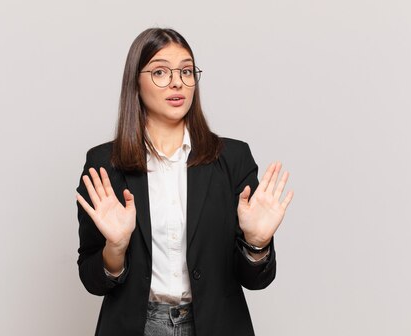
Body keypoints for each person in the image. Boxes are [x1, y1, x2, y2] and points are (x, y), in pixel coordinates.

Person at [75, 28, 294, 336]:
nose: (177, 81)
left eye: (186, 71)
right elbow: (92, 279)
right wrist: (115, 248)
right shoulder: (104, 165)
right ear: (135, 82)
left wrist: (256, 243)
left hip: (217, 325)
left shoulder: (233, 159)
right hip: (135, 326)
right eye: (161, 71)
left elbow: (255, 280)